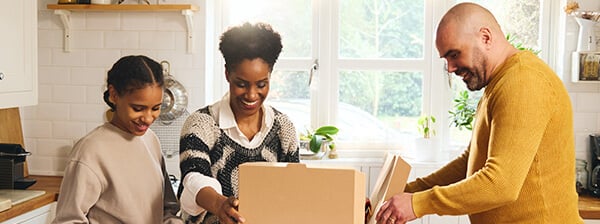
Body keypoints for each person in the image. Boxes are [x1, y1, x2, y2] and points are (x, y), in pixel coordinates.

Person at [376, 2, 583, 224]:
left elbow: (501, 184)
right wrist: (408, 192)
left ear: (485, 37)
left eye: (454, 54)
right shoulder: (500, 83)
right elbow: (470, 163)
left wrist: (418, 203)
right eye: (446, 59)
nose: (450, 68)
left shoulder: (523, 81)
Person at [178, 22, 300, 224]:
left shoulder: (282, 128)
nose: (252, 95)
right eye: (241, 84)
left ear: (270, 76)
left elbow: (294, 190)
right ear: (227, 75)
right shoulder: (202, 124)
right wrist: (219, 205)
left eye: (261, 84)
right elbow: (193, 178)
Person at [52, 55, 183, 224]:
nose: (148, 118)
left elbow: (167, 208)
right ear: (114, 95)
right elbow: (68, 221)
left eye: (156, 108)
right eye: (138, 108)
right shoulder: (90, 151)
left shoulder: (151, 140)